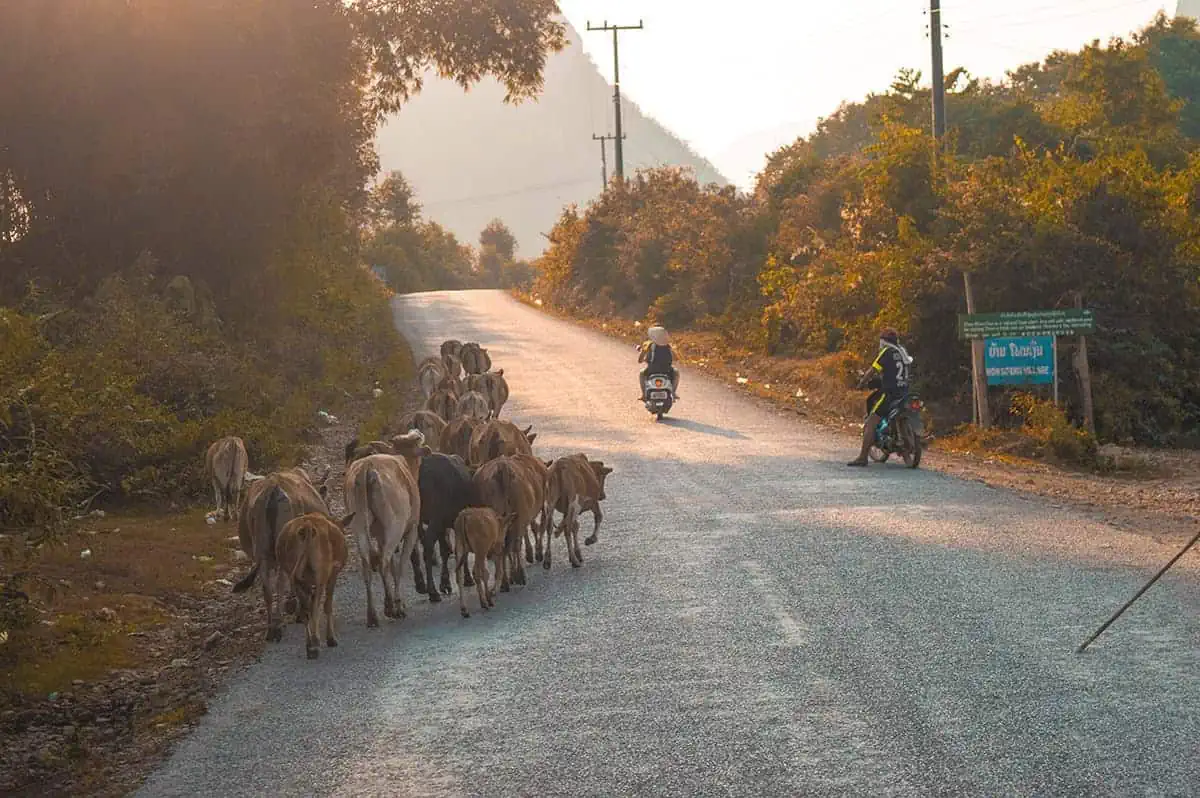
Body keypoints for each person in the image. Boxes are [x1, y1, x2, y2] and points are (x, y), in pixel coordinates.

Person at [848, 328, 913, 467]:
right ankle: (907, 457)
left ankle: (862, 457)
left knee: (871, 422)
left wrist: (861, 383)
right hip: (905, 392)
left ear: (883, 342)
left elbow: (872, 370)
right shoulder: (902, 352)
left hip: (890, 393)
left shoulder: (886, 352)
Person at [638, 326, 680, 400]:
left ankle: (644, 395)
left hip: (652, 370)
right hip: (667, 370)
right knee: (676, 373)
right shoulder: (669, 345)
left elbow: (640, 360)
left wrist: (644, 359)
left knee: (641, 373)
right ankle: (673, 392)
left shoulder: (648, 344)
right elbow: (676, 358)